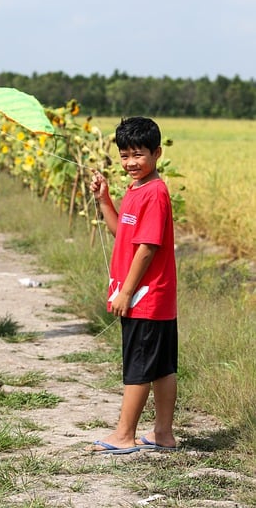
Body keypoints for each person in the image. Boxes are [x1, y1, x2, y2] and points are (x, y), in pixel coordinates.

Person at [88, 116, 178, 454]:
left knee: (139, 366)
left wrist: (126, 290)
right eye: (124, 155)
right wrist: (103, 200)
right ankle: (163, 434)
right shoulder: (136, 190)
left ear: (156, 154)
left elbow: (147, 247)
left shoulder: (154, 193)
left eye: (138, 155)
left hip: (145, 295)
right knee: (162, 367)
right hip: (156, 297)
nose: (130, 163)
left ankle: (124, 435)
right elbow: (123, 234)